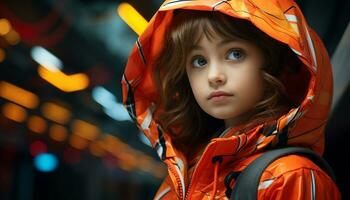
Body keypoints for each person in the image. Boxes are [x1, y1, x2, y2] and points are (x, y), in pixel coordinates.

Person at [121, 0, 341, 199]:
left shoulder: (291, 178)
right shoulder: (185, 174)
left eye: (235, 54)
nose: (214, 76)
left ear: (273, 61)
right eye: (199, 61)